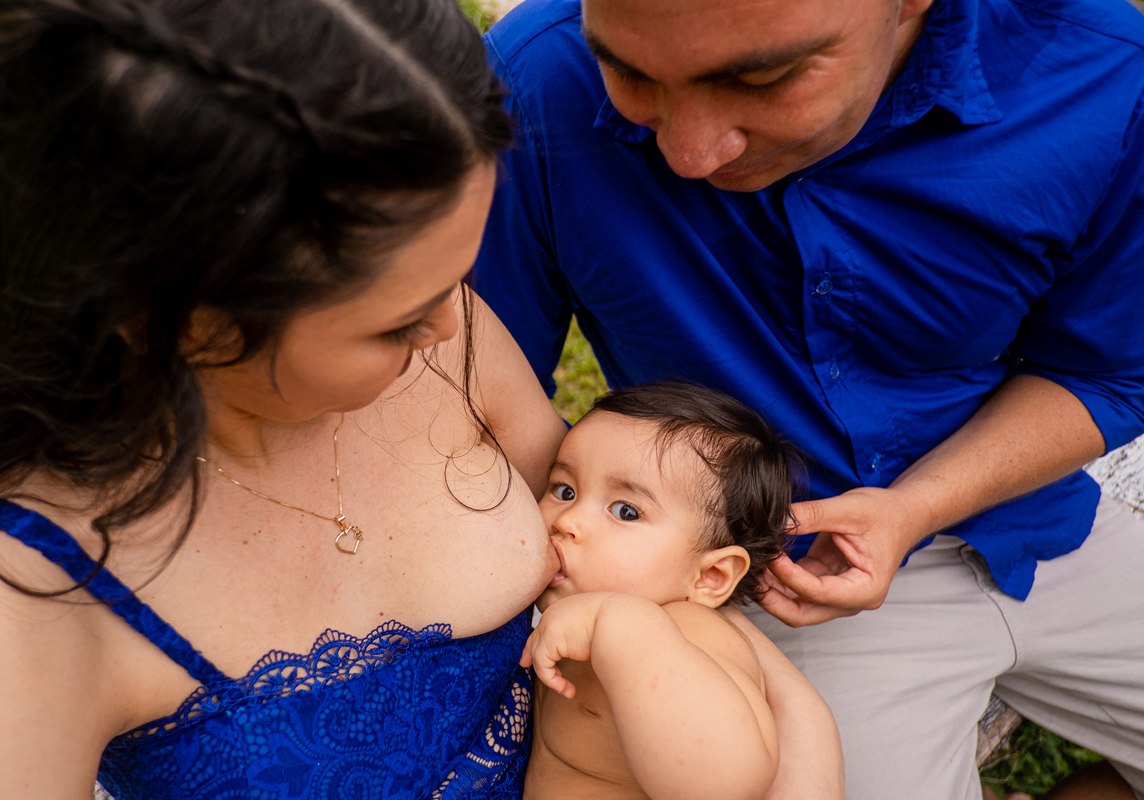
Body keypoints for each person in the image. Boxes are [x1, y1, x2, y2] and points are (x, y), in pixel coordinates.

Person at [0, 0, 841, 797]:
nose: (451, 332)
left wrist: (800, 756)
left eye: (452, 282)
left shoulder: (442, 328)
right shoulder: (13, 601)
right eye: (395, 321)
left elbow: (669, 597)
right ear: (189, 322)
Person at [472, 0, 1144, 797]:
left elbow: (1107, 369)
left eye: (762, 76)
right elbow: (475, 386)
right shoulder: (535, 80)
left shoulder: (1104, 73)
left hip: (1045, 517)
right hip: (786, 584)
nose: (688, 152)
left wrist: (914, 509)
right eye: (632, 74)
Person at [522, 382, 836, 800]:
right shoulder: (572, 601)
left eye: (626, 511)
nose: (568, 520)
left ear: (711, 577)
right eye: (565, 491)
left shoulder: (691, 633)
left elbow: (724, 780)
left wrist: (618, 625)